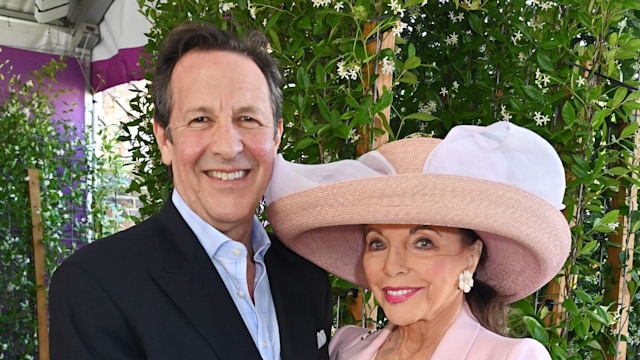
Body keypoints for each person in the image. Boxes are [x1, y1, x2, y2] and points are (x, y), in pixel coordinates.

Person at [49, 22, 332, 359]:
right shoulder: (96, 285)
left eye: (248, 119)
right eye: (200, 119)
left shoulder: (306, 276)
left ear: (275, 138)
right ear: (165, 139)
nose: (228, 147)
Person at [264, 121, 571, 359]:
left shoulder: (511, 358)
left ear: (471, 256)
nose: (393, 267)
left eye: (423, 242)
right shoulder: (345, 349)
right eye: (377, 243)